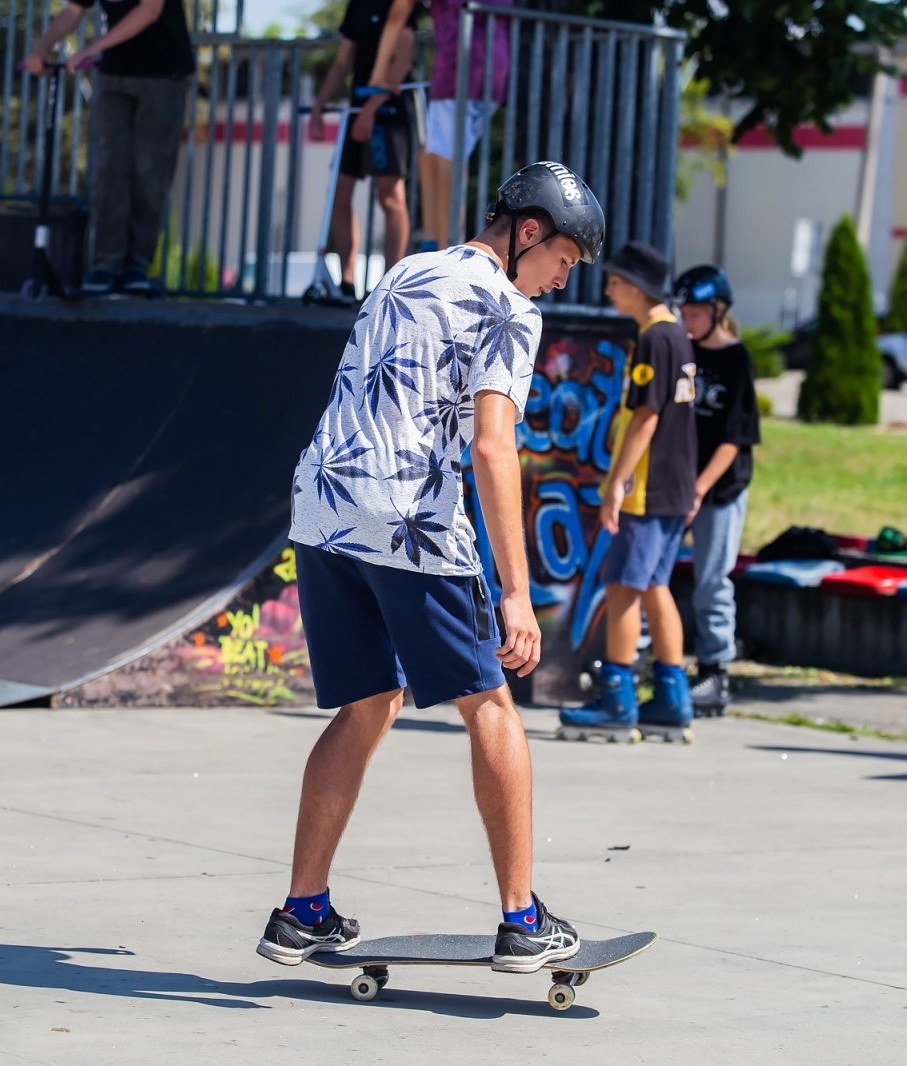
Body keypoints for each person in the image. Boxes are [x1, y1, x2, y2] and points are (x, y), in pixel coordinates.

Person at [257, 161, 605, 973]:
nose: (561, 278)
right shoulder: (510, 309)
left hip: (324, 504)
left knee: (365, 703)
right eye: (563, 259)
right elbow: (492, 446)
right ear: (527, 232)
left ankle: (301, 911)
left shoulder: (406, 269)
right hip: (410, 516)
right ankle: (523, 920)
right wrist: (517, 592)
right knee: (490, 702)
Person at [558, 241, 698, 736]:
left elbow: (646, 416)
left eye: (615, 282)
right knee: (655, 586)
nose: (609, 290)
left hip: (647, 487)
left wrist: (616, 483)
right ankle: (672, 695)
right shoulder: (678, 335)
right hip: (675, 487)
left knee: (622, 588)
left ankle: (617, 700)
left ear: (637, 289)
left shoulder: (654, 340)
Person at [25, 0, 195, 296]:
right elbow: (73, 11)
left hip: (162, 74)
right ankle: (105, 265)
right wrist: (42, 48)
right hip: (115, 74)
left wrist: (92, 48)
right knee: (108, 169)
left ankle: (136, 267)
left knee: (149, 173)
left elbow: (149, 10)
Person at [673, 265, 760, 717]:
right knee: (654, 577)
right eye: (682, 309)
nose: (686, 317)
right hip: (680, 484)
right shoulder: (683, 350)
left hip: (721, 488)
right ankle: (657, 662)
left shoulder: (736, 360)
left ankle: (715, 671)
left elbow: (735, 438)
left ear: (717, 311)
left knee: (711, 580)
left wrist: (700, 488)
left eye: (695, 310)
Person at [370, 0, 512, 252]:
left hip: (456, 67)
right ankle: (435, 246)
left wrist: (379, 75)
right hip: (495, 66)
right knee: (430, 153)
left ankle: (446, 254)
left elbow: (397, 14)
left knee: (446, 159)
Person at [308, 0, 421, 297]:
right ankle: (347, 281)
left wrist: (372, 108)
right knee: (338, 192)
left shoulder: (399, 6)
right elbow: (343, 61)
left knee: (390, 196)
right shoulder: (357, 6)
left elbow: (402, 59)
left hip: (388, 111)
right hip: (357, 109)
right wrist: (319, 106)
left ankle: (392, 284)